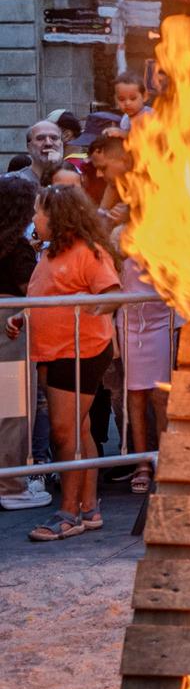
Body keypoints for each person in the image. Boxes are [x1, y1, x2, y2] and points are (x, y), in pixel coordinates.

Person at [16, 186, 121, 541]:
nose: (33, 220)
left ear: (57, 217)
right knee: (78, 429)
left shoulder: (87, 252)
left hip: (78, 352)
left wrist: (88, 313)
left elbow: (110, 295)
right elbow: (45, 297)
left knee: (64, 432)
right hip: (56, 351)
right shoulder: (51, 254)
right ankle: (87, 508)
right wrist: (24, 317)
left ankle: (69, 512)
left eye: (38, 213)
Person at [0, 176, 45, 512]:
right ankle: (11, 486)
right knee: (14, 408)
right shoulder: (16, 247)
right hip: (11, 328)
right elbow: (32, 291)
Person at [9, 121, 66, 188]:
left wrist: (59, 165)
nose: (48, 143)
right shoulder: (13, 183)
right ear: (29, 147)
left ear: (61, 145)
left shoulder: (76, 179)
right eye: (40, 138)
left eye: (54, 138)